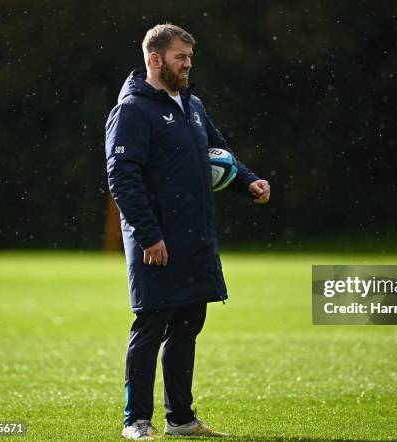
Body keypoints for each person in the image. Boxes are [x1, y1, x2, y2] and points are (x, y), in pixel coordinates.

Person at [105, 23, 270, 440]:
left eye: (190, 58)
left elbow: (218, 151)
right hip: (156, 241)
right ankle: (136, 422)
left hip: (196, 236)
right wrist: (148, 235)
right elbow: (122, 177)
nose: (188, 64)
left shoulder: (191, 104)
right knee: (150, 326)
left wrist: (247, 181)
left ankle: (181, 419)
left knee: (187, 328)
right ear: (156, 59)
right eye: (181, 57)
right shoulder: (132, 110)